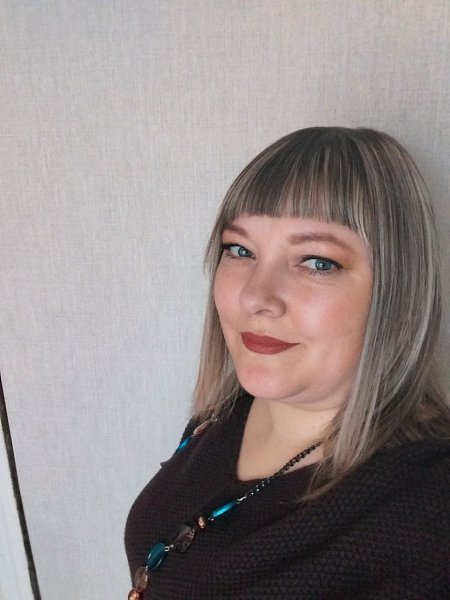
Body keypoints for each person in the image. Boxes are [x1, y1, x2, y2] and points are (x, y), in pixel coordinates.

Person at [125, 127, 450, 599]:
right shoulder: (225, 412)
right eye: (240, 250)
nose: (255, 296)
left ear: (396, 291)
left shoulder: (428, 514)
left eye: (317, 262)